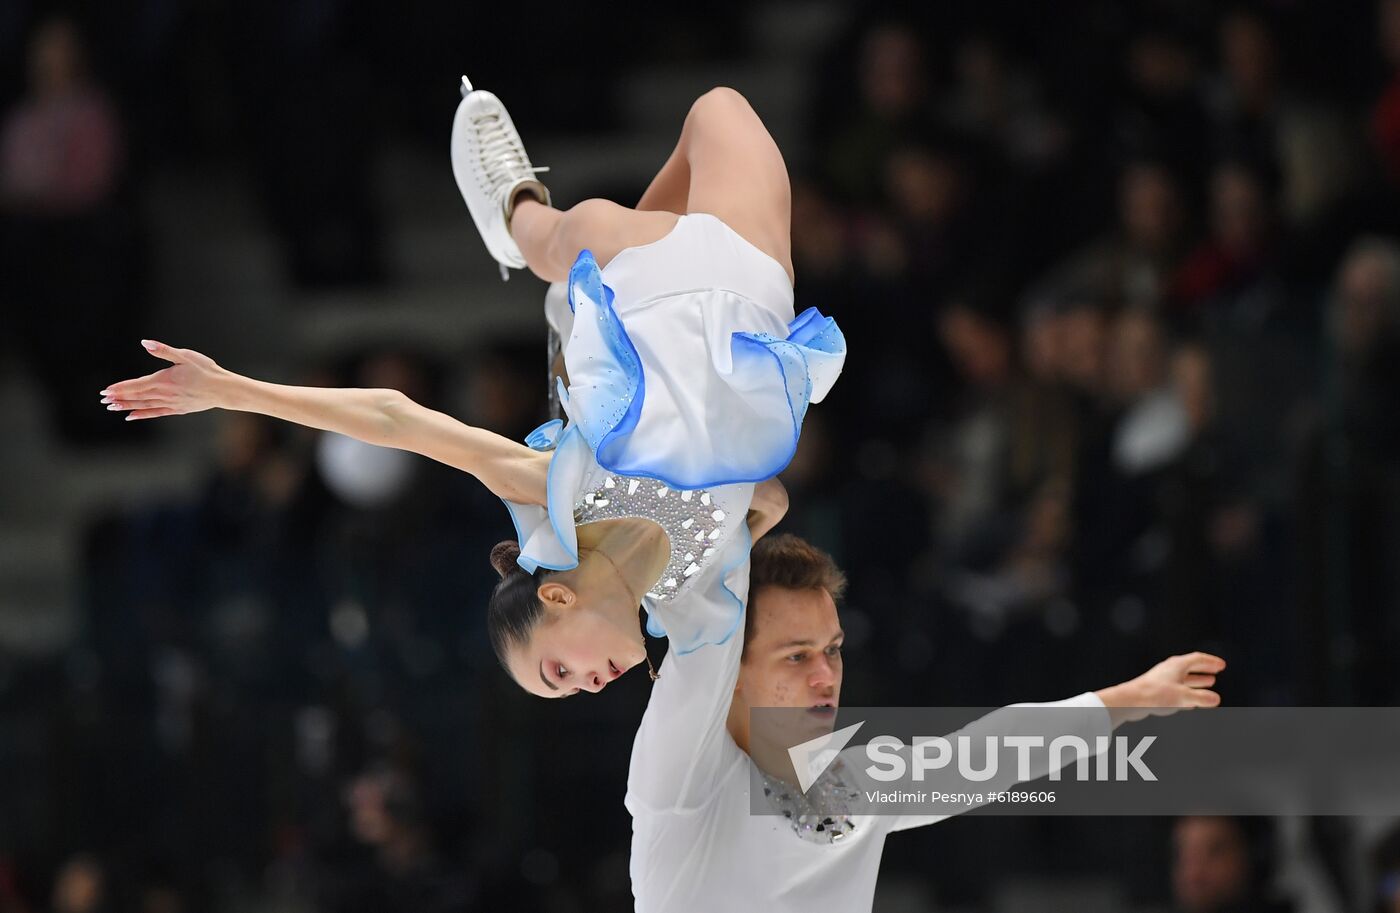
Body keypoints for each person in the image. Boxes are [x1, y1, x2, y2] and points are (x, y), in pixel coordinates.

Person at [99, 80, 844, 699]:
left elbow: (396, 418)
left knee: (577, 229)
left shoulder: (564, 496)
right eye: (569, 688)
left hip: (643, 280)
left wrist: (233, 389)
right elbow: (769, 497)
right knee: (721, 108)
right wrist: (734, 532)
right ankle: (570, 305)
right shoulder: (687, 588)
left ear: (556, 597)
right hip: (747, 300)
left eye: (557, 671)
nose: (586, 685)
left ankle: (518, 214)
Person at [626, 533, 1226, 911]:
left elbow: (991, 752)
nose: (825, 675)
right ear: (731, 667)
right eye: (796, 655)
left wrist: (1131, 697)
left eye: (832, 650)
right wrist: (746, 522)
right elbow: (697, 627)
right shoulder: (685, 778)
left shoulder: (851, 786)